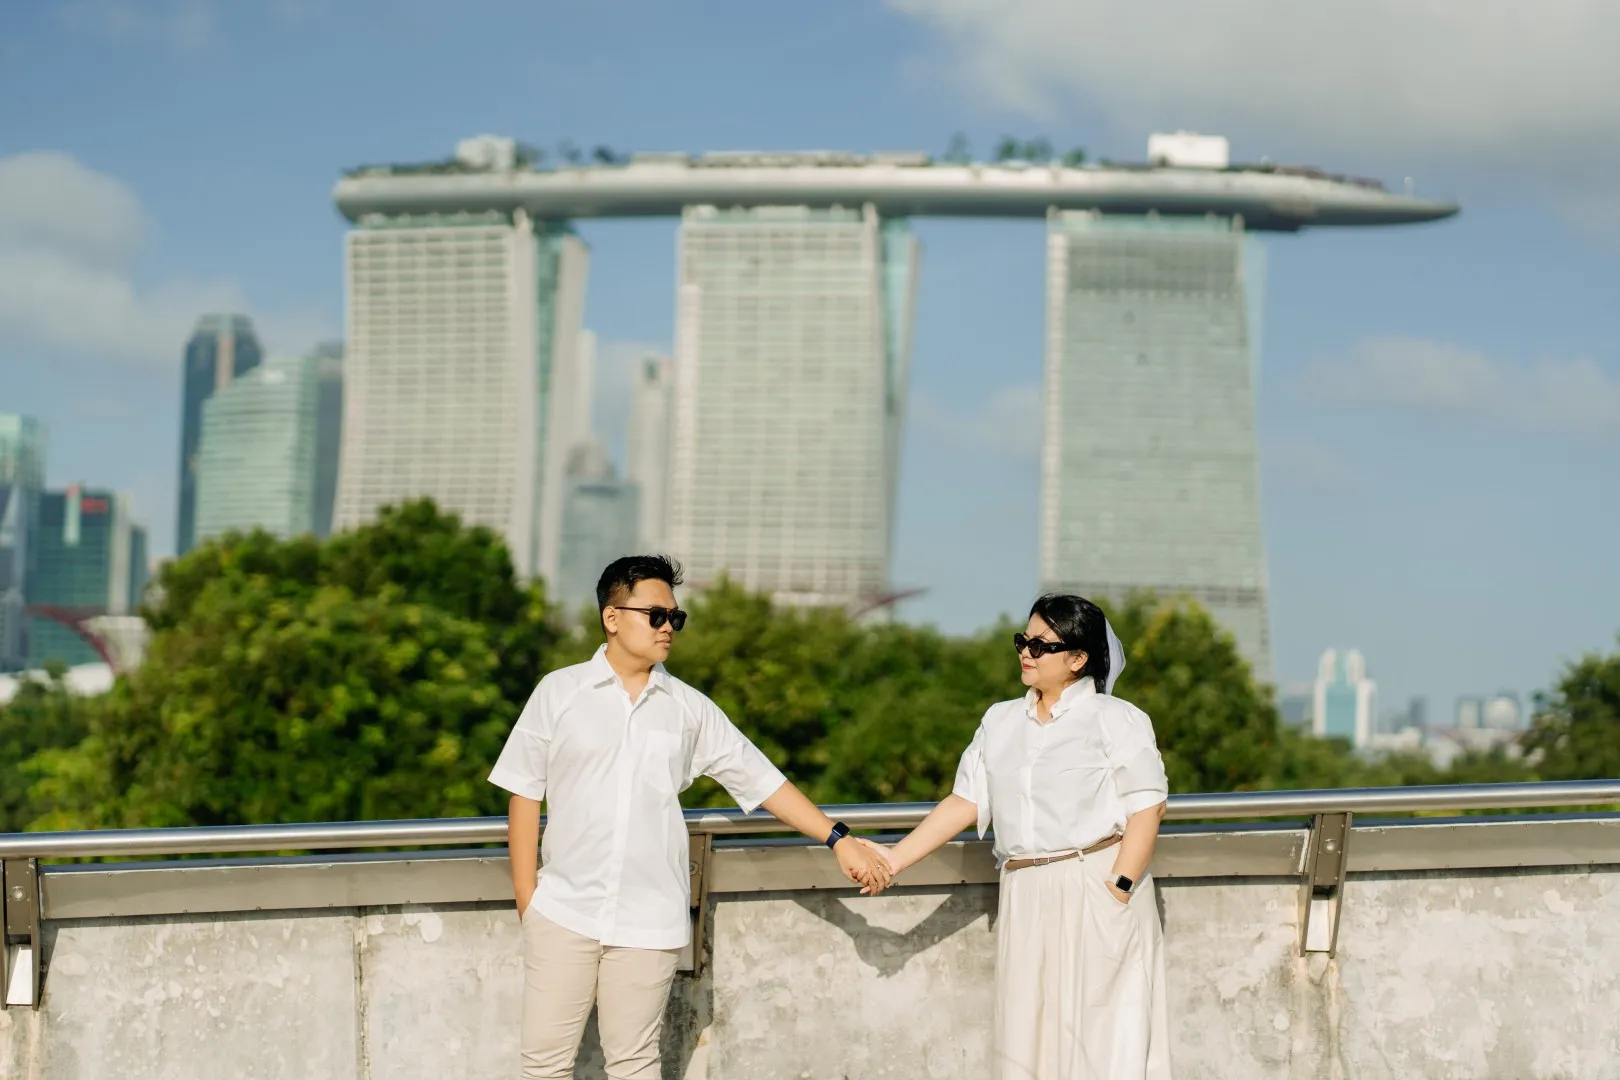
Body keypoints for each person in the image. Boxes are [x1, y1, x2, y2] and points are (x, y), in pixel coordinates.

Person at [488, 554, 892, 1080]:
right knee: (543, 1066)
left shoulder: (689, 708)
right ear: (612, 617)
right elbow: (523, 792)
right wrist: (530, 901)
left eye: (675, 617)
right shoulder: (558, 692)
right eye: (656, 615)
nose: (668, 628)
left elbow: (762, 779)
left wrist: (838, 838)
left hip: (649, 919)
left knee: (634, 1065)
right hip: (563, 910)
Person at [862, 593, 1172, 1080]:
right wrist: (893, 859)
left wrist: (1119, 887)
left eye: (1041, 645)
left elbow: (1147, 805)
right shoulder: (1000, 720)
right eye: (1023, 641)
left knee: (1104, 1033)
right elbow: (965, 800)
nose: (1027, 652)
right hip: (1024, 888)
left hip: (1094, 883)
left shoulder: (1116, 718)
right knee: (1027, 1037)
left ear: (1078, 658)